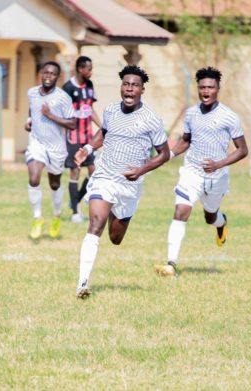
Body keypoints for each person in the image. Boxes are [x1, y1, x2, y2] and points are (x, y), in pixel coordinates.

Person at [74, 65, 170, 299]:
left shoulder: (151, 119)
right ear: (121, 87)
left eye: (134, 85)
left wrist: (141, 170)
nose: (129, 89)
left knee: (115, 238)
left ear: (142, 89)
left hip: (129, 185)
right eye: (126, 84)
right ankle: (82, 284)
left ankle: (118, 215)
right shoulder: (110, 111)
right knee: (95, 223)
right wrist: (87, 149)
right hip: (104, 177)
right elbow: (104, 133)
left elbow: (164, 154)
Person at [155, 67, 247, 277]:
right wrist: (166, 156)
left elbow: (243, 150)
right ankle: (171, 263)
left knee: (210, 216)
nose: (206, 91)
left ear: (218, 89)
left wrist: (219, 164)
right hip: (192, 172)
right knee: (181, 211)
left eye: (210, 87)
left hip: (217, 177)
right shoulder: (191, 113)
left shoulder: (229, 116)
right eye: (202, 87)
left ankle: (222, 223)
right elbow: (185, 141)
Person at [25, 61, 76, 240]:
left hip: (56, 148)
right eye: (45, 72)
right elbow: (31, 112)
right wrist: (29, 121)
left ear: (58, 77)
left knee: (54, 183)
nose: (48, 76)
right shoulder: (31, 92)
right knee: (34, 177)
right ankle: (37, 218)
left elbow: (73, 123)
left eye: (53, 74)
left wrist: (51, 116)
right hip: (37, 143)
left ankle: (56, 215)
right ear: (41, 73)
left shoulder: (63, 98)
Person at [62, 56, 102, 223]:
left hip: (88, 137)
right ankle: (75, 213)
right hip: (73, 137)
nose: (91, 72)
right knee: (76, 172)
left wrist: (102, 126)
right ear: (80, 69)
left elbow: (90, 109)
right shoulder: (68, 88)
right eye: (88, 69)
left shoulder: (89, 85)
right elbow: (62, 113)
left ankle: (74, 201)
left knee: (93, 171)